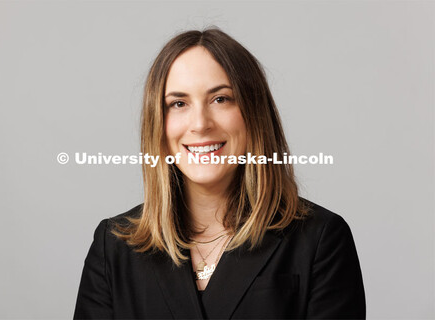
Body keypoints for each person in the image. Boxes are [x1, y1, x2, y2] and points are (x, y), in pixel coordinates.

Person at [74, 28, 365, 319]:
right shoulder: (113, 246)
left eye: (221, 99)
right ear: (158, 125)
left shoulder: (320, 239)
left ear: (254, 114)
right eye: (178, 104)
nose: (200, 124)